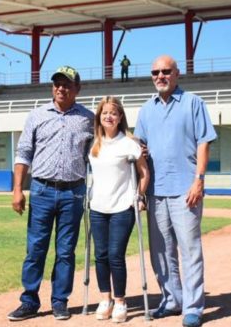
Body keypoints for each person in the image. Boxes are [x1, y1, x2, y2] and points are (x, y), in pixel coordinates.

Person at [134, 55, 217, 327]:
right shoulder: (146, 110)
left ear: (177, 73)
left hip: (186, 190)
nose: (160, 76)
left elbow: (204, 142)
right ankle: (172, 300)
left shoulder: (194, 103)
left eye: (165, 71)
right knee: (161, 251)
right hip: (156, 191)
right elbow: (139, 147)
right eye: (155, 72)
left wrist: (199, 180)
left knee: (189, 250)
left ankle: (192, 307)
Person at [8, 66, 94, 322]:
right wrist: (17, 190)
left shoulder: (88, 118)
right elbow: (23, 154)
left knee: (66, 251)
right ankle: (29, 301)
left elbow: (99, 151)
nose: (61, 88)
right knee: (35, 249)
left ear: (77, 89)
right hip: (42, 190)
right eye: (57, 83)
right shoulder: (36, 116)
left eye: (67, 84)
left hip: (73, 193)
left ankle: (60, 301)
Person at [88, 96, 149, 323]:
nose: (109, 116)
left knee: (115, 255)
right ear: (99, 117)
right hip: (98, 207)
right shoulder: (94, 145)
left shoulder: (130, 144)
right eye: (104, 113)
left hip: (123, 207)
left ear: (120, 117)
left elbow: (144, 173)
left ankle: (121, 301)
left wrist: (139, 196)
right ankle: (106, 299)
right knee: (100, 255)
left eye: (113, 113)